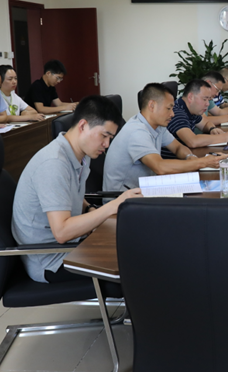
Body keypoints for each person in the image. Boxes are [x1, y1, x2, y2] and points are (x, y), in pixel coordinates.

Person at [12, 95, 142, 283]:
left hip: (72, 243)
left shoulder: (80, 153)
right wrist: (112, 206)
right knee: (136, 263)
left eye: (110, 138)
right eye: (104, 136)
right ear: (83, 126)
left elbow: (70, 193)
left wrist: (89, 208)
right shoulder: (54, 164)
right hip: (51, 258)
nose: (107, 145)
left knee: (136, 242)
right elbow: (62, 232)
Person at [103, 83, 225, 192]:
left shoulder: (158, 126)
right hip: (122, 200)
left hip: (145, 189)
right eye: (168, 108)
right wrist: (202, 162)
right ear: (152, 105)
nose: (172, 114)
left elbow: (177, 147)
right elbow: (159, 166)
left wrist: (190, 157)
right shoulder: (136, 131)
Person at [166, 79, 228, 148]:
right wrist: (225, 137)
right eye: (204, 99)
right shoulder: (176, 112)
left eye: (208, 100)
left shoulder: (191, 109)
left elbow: (205, 123)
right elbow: (192, 141)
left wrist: (212, 128)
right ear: (190, 97)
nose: (207, 104)